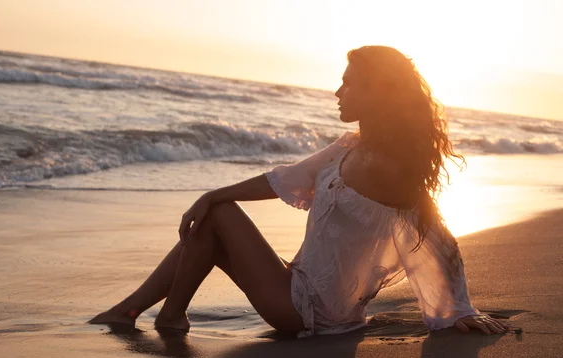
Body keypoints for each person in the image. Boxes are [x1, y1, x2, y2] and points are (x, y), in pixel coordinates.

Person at [89, 45, 509, 337]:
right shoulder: (352, 147)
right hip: (298, 286)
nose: (337, 92)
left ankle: (170, 317)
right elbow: (286, 177)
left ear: (377, 93)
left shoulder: (389, 168)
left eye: (349, 84)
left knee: (219, 216)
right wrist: (213, 192)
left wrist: (459, 311)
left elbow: (438, 238)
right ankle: (132, 311)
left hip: (311, 311)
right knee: (212, 226)